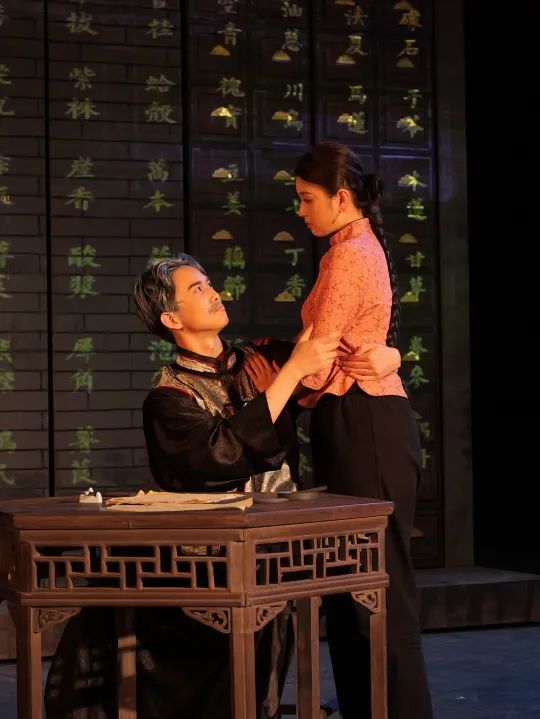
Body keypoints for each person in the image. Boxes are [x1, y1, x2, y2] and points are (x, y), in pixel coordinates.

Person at [293, 141, 434, 719]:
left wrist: (274, 387)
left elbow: (317, 357)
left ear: (341, 198)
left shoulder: (349, 255)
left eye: (307, 199)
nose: (301, 210)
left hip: (364, 420)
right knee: (353, 587)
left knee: (376, 589)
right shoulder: (353, 248)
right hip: (359, 418)